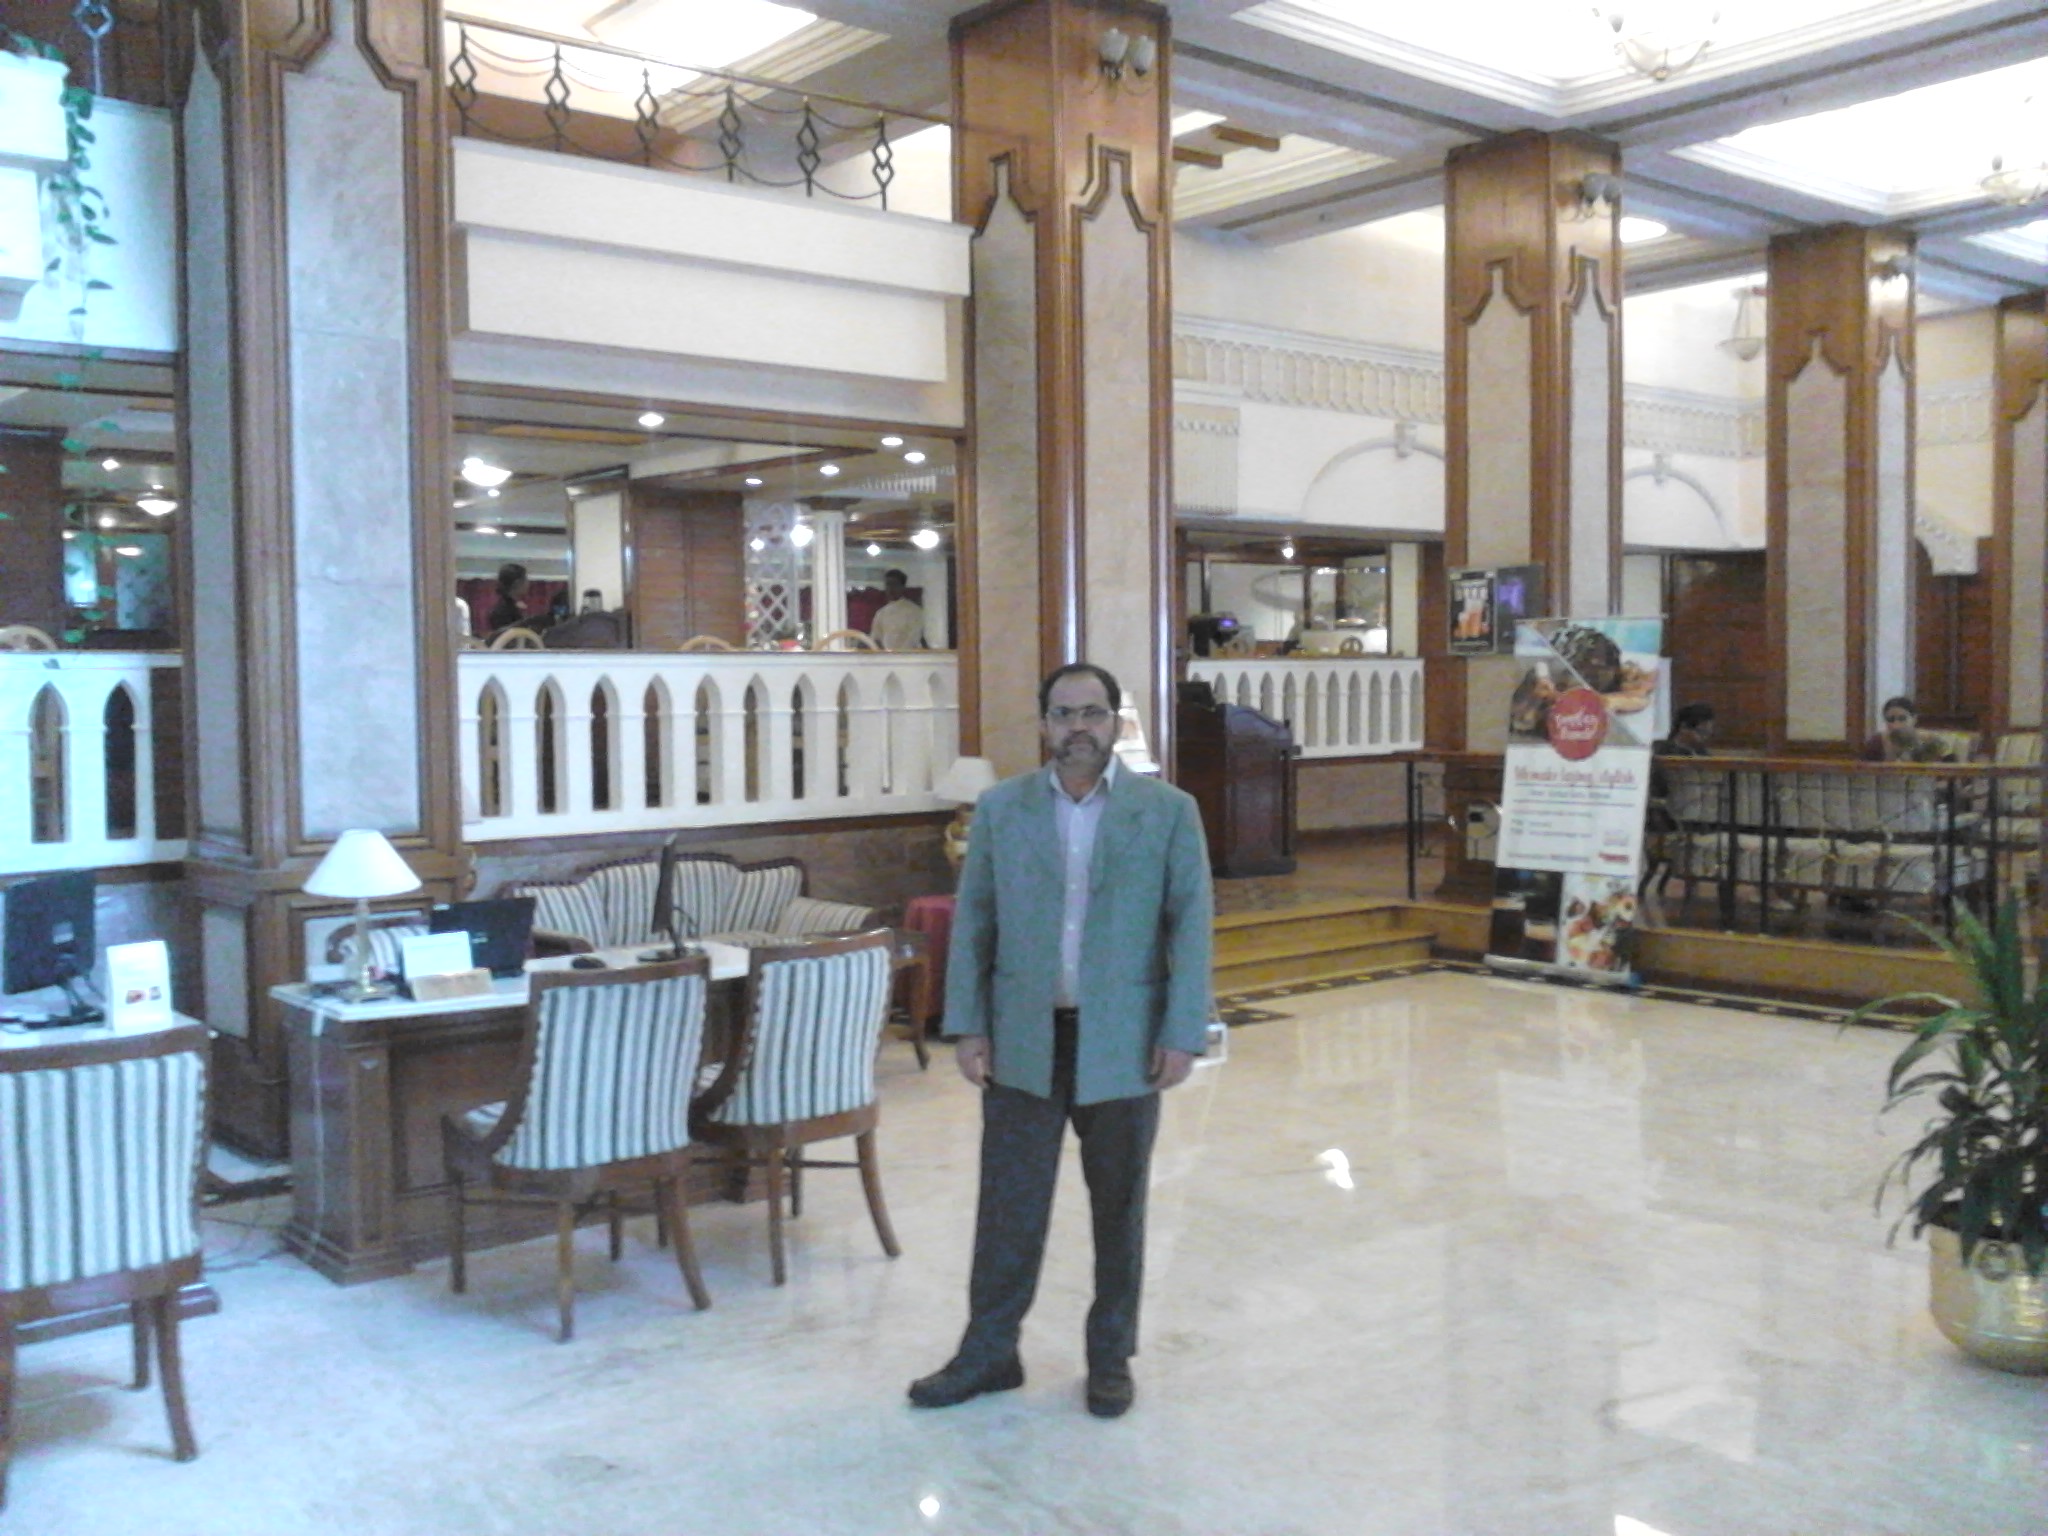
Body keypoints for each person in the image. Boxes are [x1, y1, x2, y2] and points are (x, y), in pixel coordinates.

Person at [908, 662, 1214, 1420]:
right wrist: (969, 1024)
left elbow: (1191, 928)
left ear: (1116, 722)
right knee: (1008, 1207)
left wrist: (1182, 1032)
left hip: (1124, 1043)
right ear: (1044, 724)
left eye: (1093, 712)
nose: (1079, 727)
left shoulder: (1168, 811)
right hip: (1023, 1040)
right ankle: (990, 1351)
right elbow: (975, 922)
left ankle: (1110, 1356)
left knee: (1120, 1208)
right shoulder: (1002, 808)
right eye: (1064, 713)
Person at [1860, 696, 1952, 763]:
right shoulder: (1876, 742)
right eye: (1891, 720)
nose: (1896, 725)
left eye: (1902, 719)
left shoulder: (1929, 741)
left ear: (1914, 719)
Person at [869, 569, 926, 650]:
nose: (890, 588)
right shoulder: (881, 613)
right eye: (888, 584)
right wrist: (884, 654)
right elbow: (876, 638)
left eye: (894, 584)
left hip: (907, 655)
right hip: (885, 656)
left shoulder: (914, 611)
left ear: (902, 587)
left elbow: (914, 638)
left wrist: (899, 654)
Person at [485, 562, 531, 633]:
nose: (528, 583)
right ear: (517, 583)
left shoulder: (512, 605)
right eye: (525, 579)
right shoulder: (503, 611)